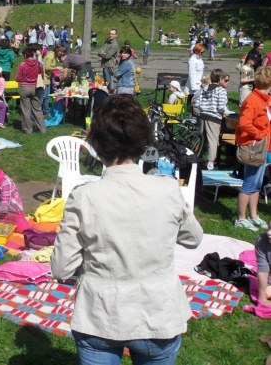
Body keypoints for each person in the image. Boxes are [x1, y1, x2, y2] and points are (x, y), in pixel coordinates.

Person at [51, 94, 203, 365]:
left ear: (96, 144)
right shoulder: (167, 188)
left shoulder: (84, 196)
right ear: (143, 142)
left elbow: (61, 268)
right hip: (158, 315)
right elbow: (193, 238)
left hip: (99, 315)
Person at [234, 67, 271, 231]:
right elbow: (244, 123)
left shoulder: (263, 99)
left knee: (257, 183)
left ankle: (253, 215)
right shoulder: (254, 100)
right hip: (253, 146)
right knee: (249, 183)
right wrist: (258, 134)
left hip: (262, 145)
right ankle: (241, 218)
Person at [194, 69, 229, 170]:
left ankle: (197, 158)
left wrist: (201, 109)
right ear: (220, 79)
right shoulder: (221, 90)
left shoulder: (204, 89)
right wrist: (223, 112)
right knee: (212, 140)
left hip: (202, 115)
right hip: (214, 117)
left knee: (201, 138)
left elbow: (196, 102)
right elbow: (221, 106)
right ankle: (210, 162)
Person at [15, 47, 46, 134]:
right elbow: (42, 76)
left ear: (25, 55)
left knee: (26, 110)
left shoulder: (22, 64)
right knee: (37, 109)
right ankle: (42, 129)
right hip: (35, 88)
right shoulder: (39, 64)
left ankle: (28, 129)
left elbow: (17, 78)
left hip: (25, 88)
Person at [185, 43, 205, 109]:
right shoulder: (192, 60)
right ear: (196, 51)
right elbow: (192, 74)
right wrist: (194, 87)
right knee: (190, 100)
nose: (202, 54)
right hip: (193, 84)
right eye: (201, 52)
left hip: (199, 82)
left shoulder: (200, 59)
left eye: (203, 52)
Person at [254, 226, 271, 306]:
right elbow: (263, 269)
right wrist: (262, 298)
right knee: (266, 292)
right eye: (269, 228)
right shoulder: (262, 239)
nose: (269, 233)